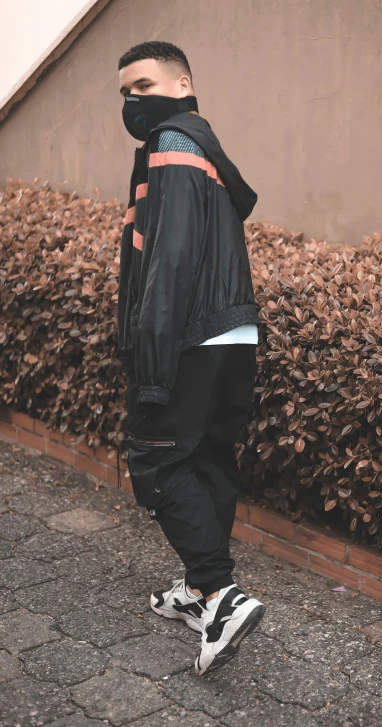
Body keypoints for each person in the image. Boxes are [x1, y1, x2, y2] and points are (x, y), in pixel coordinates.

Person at [116, 40, 265, 675]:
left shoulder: (172, 143)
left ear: (182, 85)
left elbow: (170, 259)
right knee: (206, 459)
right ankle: (200, 591)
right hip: (233, 330)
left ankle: (223, 596)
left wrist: (152, 364)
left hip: (192, 333)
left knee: (155, 460)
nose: (132, 101)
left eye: (144, 86)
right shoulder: (204, 145)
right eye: (125, 91)